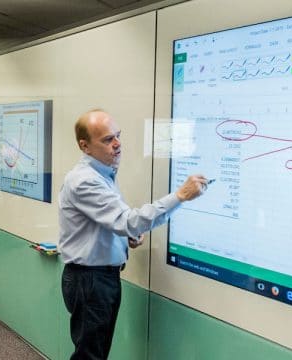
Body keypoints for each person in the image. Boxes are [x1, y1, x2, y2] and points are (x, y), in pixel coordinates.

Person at [58, 109, 208, 360]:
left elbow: (108, 222)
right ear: (85, 146)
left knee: (95, 352)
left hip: (97, 278)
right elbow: (129, 220)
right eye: (107, 139)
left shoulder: (102, 174)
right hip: (90, 281)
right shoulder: (85, 181)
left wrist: (124, 237)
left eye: (118, 136)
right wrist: (179, 196)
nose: (117, 144)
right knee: (90, 355)